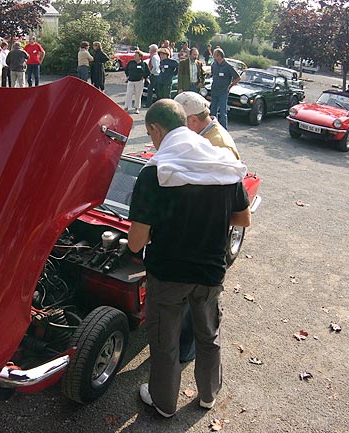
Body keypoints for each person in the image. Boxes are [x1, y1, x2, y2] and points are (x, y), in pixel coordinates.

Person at [128, 98, 250, 417]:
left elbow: (135, 242)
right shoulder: (222, 163)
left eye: (150, 134)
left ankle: (164, 403)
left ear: (155, 128)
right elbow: (242, 218)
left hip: (168, 274)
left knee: (165, 342)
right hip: (210, 272)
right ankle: (209, 395)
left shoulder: (154, 172)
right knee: (208, 335)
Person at [173, 91, 242, 363]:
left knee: (197, 301)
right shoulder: (201, 135)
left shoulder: (220, 147)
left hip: (205, 238)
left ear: (191, 120)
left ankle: (186, 349)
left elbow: (233, 206)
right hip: (195, 229)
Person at [210, 48, 240, 129]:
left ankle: (223, 129)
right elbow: (212, 74)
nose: (213, 57)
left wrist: (230, 86)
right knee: (213, 111)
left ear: (219, 56)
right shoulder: (214, 64)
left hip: (223, 92)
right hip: (214, 90)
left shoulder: (228, 66)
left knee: (223, 112)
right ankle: (213, 128)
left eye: (214, 55)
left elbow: (237, 78)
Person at [123, 50, 150, 114]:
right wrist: (127, 76)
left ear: (140, 57)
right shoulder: (131, 62)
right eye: (134, 55)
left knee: (138, 95)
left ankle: (137, 108)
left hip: (139, 82)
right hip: (131, 81)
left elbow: (147, 72)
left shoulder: (143, 64)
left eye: (136, 56)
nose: (134, 57)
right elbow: (126, 70)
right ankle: (126, 107)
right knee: (128, 94)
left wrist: (144, 77)